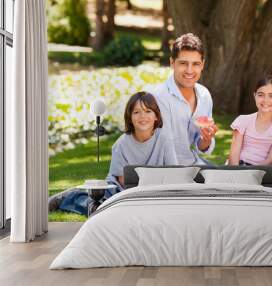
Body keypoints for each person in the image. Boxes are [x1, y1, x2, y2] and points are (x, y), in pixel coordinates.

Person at [49, 92, 178, 215]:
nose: (142, 116)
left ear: (156, 116)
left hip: (151, 191)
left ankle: (76, 193)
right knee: (100, 207)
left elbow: (174, 173)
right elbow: (124, 182)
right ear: (130, 118)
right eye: (136, 112)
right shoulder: (121, 144)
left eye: (148, 111)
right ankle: (66, 197)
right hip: (118, 190)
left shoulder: (165, 139)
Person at [149, 33, 218, 165]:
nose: (189, 70)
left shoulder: (204, 95)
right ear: (172, 63)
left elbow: (201, 147)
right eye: (183, 63)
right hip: (161, 168)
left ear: (202, 65)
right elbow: (162, 148)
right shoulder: (158, 97)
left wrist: (206, 139)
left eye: (196, 64)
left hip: (191, 163)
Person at [228, 76, 272, 166]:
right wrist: (237, 172)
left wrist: (252, 173)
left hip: (262, 172)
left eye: (271, 96)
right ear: (254, 95)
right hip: (238, 167)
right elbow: (233, 155)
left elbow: (271, 159)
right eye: (261, 95)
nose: (266, 100)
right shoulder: (243, 121)